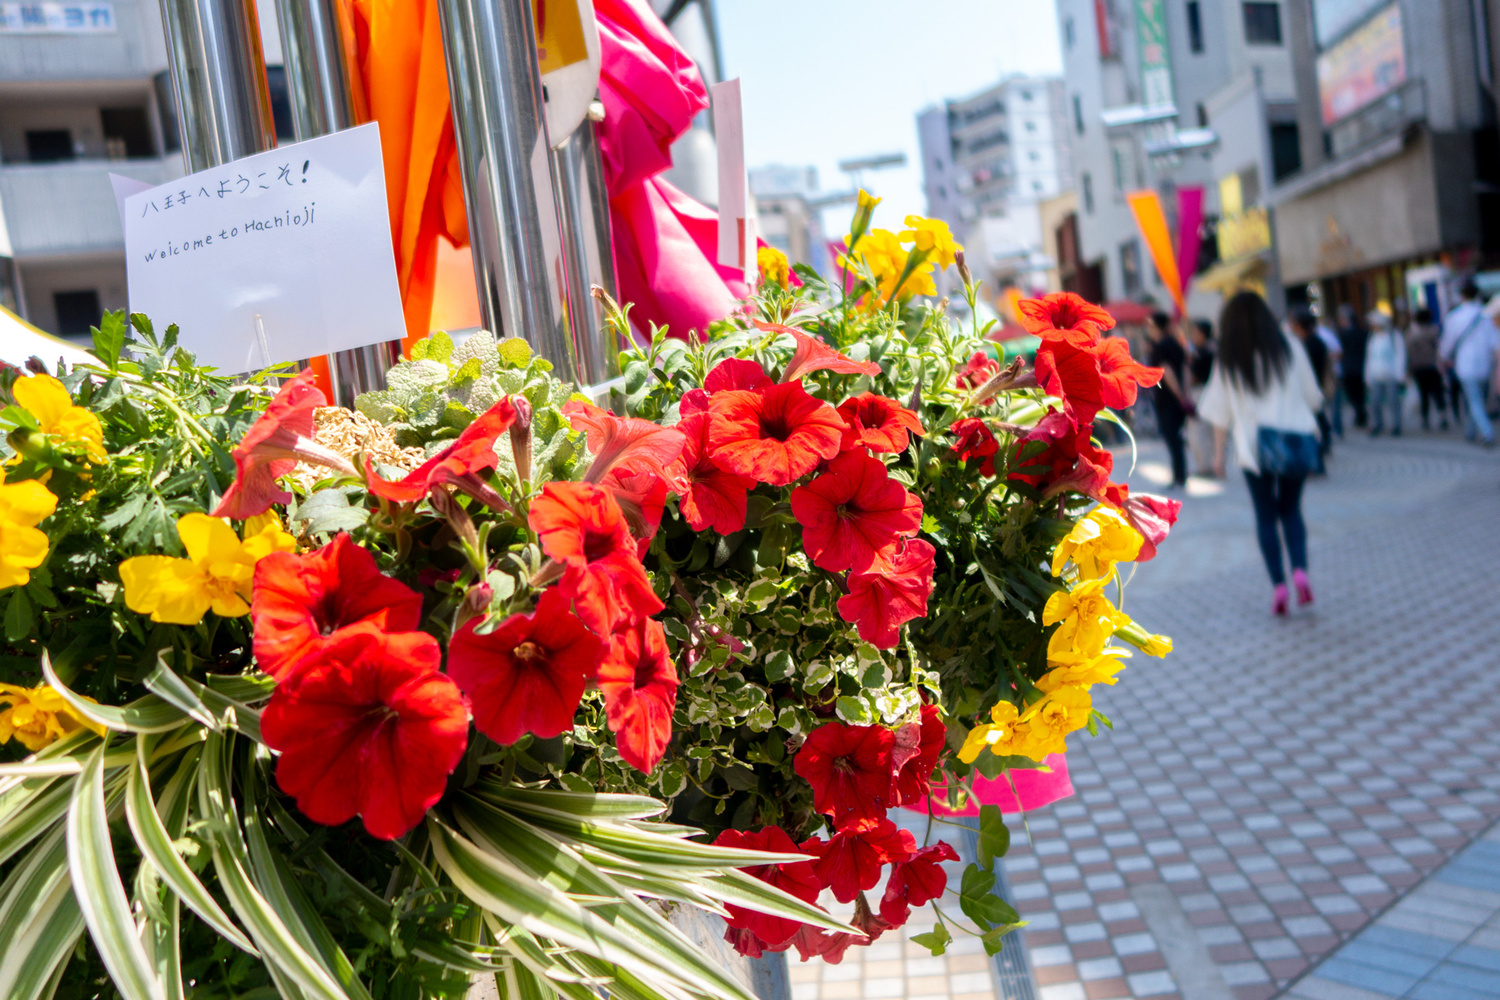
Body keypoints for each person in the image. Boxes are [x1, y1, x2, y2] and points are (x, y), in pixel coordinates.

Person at [1199, 291, 1324, 616]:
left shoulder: (1229, 357)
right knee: (1292, 511)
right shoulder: (1289, 346)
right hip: (1294, 442)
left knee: (1266, 517)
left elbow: (1218, 412)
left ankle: (1279, 586)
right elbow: (1313, 397)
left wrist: (1217, 456)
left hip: (1254, 449)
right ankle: (1300, 571)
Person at [1438, 281, 1500, 446]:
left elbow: (1447, 342)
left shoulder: (1454, 317)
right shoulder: (1486, 315)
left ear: (1461, 296)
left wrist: (1443, 357)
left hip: (1465, 365)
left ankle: (1487, 433)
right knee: (1477, 399)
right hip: (1485, 364)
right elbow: (1496, 342)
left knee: (1474, 400)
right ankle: (1470, 431)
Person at [1145, 311, 1191, 489]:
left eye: (1150, 325)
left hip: (1167, 399)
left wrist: (1178, 395)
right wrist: (1184, 394)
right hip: (1178, 399)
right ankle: (1181, 474)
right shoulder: (1177, 344)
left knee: (1172, 440)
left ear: (1157, 327)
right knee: (1177, 439)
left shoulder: (1160, 347)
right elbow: (1186, 368)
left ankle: (1178, 476)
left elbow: (1167, 371)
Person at [1288, 307, 1334, 457]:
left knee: (1316, 418)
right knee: (1319, 416)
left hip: (1312, 386)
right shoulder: (1314, 341)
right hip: (1316, 385)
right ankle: (1324, 442)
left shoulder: (1308, 344)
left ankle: (1320, 451)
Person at [1363, 310, 1407, 436]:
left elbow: (1400, 355)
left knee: (1394, 401)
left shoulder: (1394, 335)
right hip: (1375, 373)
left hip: (1391, 373)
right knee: (1374, 401)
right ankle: (1377, 424)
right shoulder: (1372, 337)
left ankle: (1396, 425)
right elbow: (1369, 357)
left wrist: (1400, 374)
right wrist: (1367, 375)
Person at [1405, 307, 1447, 431]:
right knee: (1437, 392)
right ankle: (1442, 415)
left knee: (1423, 394)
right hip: (1433, 366)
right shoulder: (1435, 331)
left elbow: (1409, 353)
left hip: (1418, 367)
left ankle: (1425, 419)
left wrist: (1408, 369)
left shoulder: (1411, 333)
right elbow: (1440, 349)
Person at [1186, 319, 1217, 476]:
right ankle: (1211, 463)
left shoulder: (1201, 353)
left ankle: (1204, 467)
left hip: (1200, 392)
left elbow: (1194, 377)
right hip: (1212, 393)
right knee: (1209, 431)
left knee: (1198, 431)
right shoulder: (1213, 350)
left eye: (1196, 332)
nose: (1193, 335)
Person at [1337, 304, 1369, 429]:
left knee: (1354, 393)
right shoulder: (1363, 333)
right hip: (1359, 366)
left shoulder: (1343, 335)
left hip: (1350, 367)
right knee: (1359, 393)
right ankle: (1360, 412)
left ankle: (1359, 412)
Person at [1315, 313, 1345, 437]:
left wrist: (1326, 358)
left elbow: (1338, 352)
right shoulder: (1323, 334)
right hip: (1324, 374)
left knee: (1333, 402)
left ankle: (1336, 428)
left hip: (1331, 374)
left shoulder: (1323, 334)